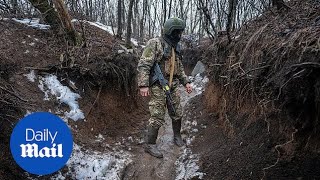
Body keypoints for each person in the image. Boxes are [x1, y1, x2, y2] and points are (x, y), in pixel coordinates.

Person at [137, 17, 192, 158]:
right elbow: (144, 64)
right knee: (157, 115)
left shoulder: (176, 47)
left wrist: (186, 82)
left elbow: (179, 68)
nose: (179, 35)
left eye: (180, 32)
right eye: (177, 32)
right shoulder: (155, 44)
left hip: (172, 86)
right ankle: (150, 144)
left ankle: (177, 136)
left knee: (177, 112)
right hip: (158, 86)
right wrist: (143, 85)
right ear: (169, 31)